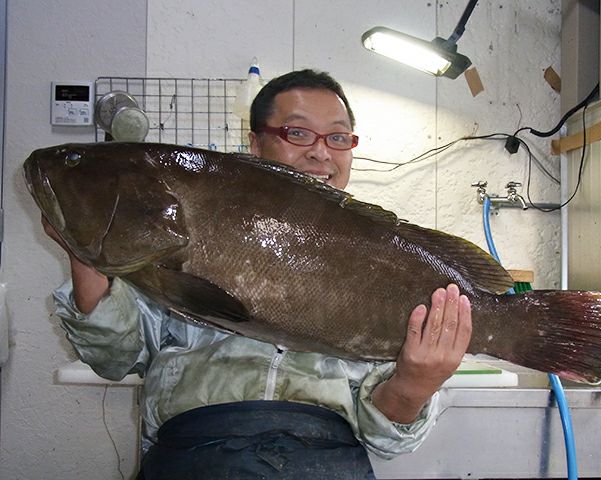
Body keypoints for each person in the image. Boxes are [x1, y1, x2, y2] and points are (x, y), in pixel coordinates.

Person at [44, 69, 472, 479]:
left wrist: (415, 383)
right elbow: (113, 358)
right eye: (298, 133)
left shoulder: (388, 261)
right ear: (255, 143)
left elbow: (387, 439)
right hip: (191, 456)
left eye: (338, 137)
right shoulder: (179, 235)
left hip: (326, 461)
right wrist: (84, 249)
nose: (320, 152)